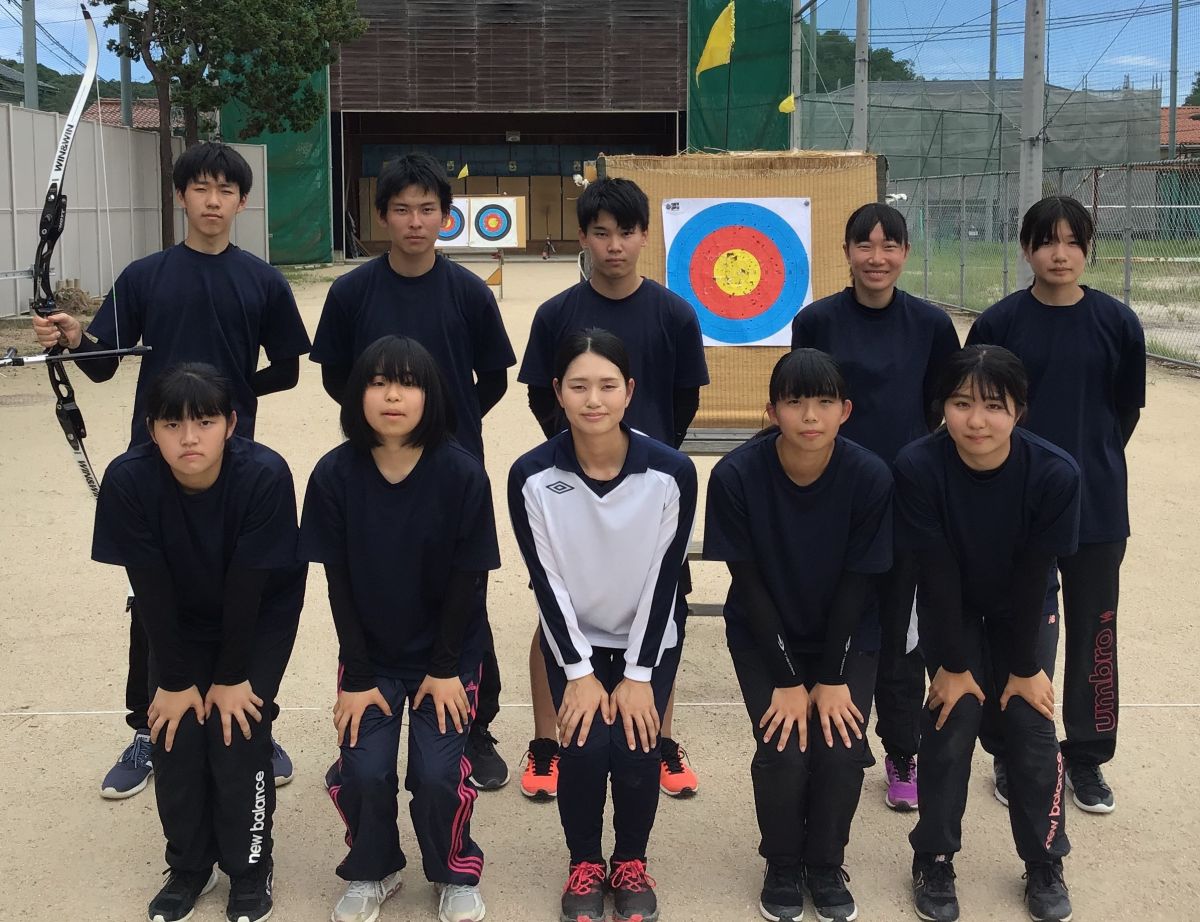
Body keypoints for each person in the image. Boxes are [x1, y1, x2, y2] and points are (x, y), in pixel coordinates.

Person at [33, 142, 311, 798]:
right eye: (201, 189)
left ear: (242, 202)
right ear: (181, 196)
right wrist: (74, 339)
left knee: (241, 590)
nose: (213, 202)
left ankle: (253, 721)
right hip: (153, 464)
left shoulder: (263, 281)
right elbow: (103, 364)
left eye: (226, 191)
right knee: (151, 596)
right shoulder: (145, 276)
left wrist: (221, 404)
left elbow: (288, 369)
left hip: (233, 467)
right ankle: (147, 727)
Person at [310, 153, 516, 790]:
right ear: (381, 217)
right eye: (401, 209)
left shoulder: (469, 292)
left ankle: (473, 726)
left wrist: (440, 433)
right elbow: (336, 376)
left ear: (446, 216)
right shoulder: (351, 293)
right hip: (374, 464)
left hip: (453, 468)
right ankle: (366, 722)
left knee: (464, 593)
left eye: (428, 209)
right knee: (370, 588)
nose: (415, 221)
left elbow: (494, 377)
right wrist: (383, 431)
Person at [517, 177, 709, 801]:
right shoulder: (557, 315)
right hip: (573, 490)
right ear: (583, 237)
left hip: (648, 497)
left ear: (646, 236)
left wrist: (644, 460)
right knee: (556, 613)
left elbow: (684, 401)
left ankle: (658, 737)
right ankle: (547, 742)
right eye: (601, 233)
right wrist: (578, 453)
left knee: (663, 613)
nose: (614, 246)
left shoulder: (675, 314)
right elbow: (541, 397)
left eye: (626, 232)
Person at [91, 364, 305, 922]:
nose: (189, 438)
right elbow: (150, 588)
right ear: (151, 429)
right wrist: (175, 681)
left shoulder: (264, 475)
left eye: (205, 422)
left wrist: (232, 678)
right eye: (172, 424)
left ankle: (251, 867)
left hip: (258, 615)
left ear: (231, 424)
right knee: (174, 734)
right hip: (176, 621)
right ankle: (188, 866)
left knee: (238, 734)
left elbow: (250, 587)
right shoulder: (129, 480)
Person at [300, 336, 496, 922]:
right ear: (356, 395)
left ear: (430, 395)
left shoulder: (462, 474)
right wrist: (357, 676)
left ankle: (453, 872)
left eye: (408, 383)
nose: (392, 396)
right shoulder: (333, 474)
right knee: (364, 771)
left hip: (448, 657)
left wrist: (445, 668)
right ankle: (373, 867)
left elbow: (469, 581)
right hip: (372, 659)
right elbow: (338, 584)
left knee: (438, 776)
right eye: (378, 382)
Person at [508, 330, 696, 922]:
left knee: (638, 747)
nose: (594, 399)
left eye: (608, 385)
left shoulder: (671, 472)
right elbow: (546, 582)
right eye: (579, 386)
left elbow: (665, 581)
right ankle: (585, 862)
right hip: (576, 642)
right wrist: (580, 673)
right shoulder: (530, 475)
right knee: (584, 747)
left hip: (648, 638)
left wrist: (639, 676)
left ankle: (631, 861)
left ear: (630, 391)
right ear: (557, 392)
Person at [966, 195, 1145, 813]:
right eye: (1046, 241)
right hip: (1014, 507)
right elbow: (979, 412)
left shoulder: (1118, 323)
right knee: (1012, 626)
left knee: (1096, 629)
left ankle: (1088, 755)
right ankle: (1010, 750)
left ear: (1088, 248)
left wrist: (1085, 465)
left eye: (1072, 241)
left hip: (1096, 506)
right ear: (1026, 249)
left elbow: (1123, 412)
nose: (1059, 253)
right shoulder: (999, 324)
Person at [704, 348, 893, 922]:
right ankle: (783, 863)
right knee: (784, 749)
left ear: (845, 411)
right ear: (772, 412)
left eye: (825, 402)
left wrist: (832, 678)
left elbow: (859, 583)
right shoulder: (735, 476)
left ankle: (826, 863)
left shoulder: (869, 476)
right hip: (765, 632)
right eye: (795, 402)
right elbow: (748, 583)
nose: (810, 415)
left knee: (840, 749)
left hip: (848, 631)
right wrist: (787, 681)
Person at [898, 345, 1079, 922]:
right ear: (941, 408)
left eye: (994, 406)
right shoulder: (917, 466)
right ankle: (934, 856)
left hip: (1022, 604)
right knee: (953, 715)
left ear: (1019, 410)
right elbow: (935, 571)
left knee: (1030, 722)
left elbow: (1035, 573)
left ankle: (1044, 860)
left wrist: (1025, 669)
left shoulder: (1054, 473)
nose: (976, 421)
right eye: (961, 403)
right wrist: (953, 667)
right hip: (951, 603)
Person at [791, 202, 960, 812]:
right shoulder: (816, 320)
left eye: (890, 245)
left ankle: (902, 751)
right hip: (834, 498)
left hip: (904, 501)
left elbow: (942, 405)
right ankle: (828, 742)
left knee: (899, 636)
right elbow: (803, 400)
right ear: (846, 251)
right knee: (833, 623)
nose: (877, 257)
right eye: (865, 244)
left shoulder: (931, 325)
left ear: (906, 253)